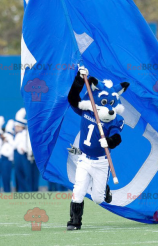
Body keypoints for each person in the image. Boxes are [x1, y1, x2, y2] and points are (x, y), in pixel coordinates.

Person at [66, 66, 130, 230]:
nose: (108, 108)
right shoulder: (87, 110)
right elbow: (72, 98)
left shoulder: (114, 120)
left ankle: (105, 190)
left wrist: (109, 142)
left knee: (98, 199)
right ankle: (75, 221)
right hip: (84, 159)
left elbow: (117, 137)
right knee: (78, 189)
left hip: (101, 162)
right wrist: (80, 80)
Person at [13, 108, 31, 192]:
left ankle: (26, 189)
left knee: (25, 173)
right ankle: (21, 189)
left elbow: (27, 144)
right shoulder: (17, 134)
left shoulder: (25, 133)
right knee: (18, 172)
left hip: (24, 155)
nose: (15, 128)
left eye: (17, 126)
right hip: (17, 155)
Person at [0, 119, 15, 192]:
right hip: (3, 159)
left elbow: (12, 149)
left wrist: (5, 155)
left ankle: (8, 190)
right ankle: (6, 190)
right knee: (4, 176)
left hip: (7, 159)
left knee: (7, 176)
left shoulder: (10, 139)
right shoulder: (3, 141)